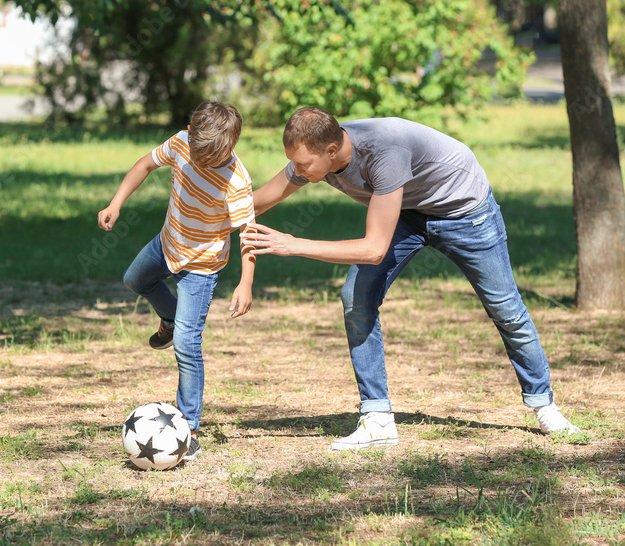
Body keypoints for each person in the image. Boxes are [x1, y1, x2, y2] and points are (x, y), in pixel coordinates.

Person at [241, 107, 580, 450]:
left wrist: (293, 245)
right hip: (407, 210)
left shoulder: (385, 151)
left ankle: (544, 405)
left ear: (332, 150)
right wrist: (202, 223)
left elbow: (373, 249)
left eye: (302, 166)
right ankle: (377, 421)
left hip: (464, 211)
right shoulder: (316, 154)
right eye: (294, 164)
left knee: (505, 308)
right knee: (356, 298)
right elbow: (254, 204)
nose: (296, 173)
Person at [98, 102, 257, 461]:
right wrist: (116, 203)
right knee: (134, 280)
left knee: (187, 342)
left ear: (230, 145)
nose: (201, 162)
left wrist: (246, 281)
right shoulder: (183, 142)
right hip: (167, 242)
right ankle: (169, 318)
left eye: (211, 157)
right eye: (198, 154)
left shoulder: (236, 180)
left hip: (201, 266)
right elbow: (145, 164)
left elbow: (248, 233)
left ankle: (189, 427)